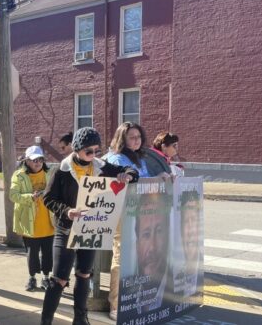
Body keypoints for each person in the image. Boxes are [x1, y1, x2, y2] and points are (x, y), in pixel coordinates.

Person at [41, 127, 138, 325]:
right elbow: (48, 199)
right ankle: (46, 320)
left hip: (92, 228)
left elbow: (131, 171)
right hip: (67, 228)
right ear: (77, 149)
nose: (93, 155)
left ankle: (80, 318)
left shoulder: (101, 166)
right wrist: (67, 211)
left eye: (97, 150)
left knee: (84, 274)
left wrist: (127, 175)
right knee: (59, 278)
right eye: (89, 151)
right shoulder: (62, 170)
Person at [104, 122, 170, 320]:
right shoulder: (115, 158)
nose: (136, 140)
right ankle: (115, 304)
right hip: (121, 214)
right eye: (131, 137)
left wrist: (160, 176)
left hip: (139, 214)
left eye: (138, 137)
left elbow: (144, 182)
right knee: (121, 256)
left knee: (137, 258)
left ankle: (137, 298)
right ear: (122, 139)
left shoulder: (139, 158)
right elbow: (123, 183)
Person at [9, 145, 54, 292]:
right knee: (32, 253)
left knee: (48, 252)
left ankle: (46, 278)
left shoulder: (50, 173)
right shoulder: (19, 175)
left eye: (40, 159)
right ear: (27, 161)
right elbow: (13, 196)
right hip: (29, 222)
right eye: (34, 160)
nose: (38, 163)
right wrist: (30, 197)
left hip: (48, 222)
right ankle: (32, 278)